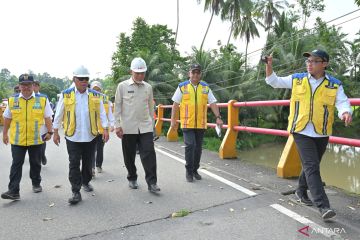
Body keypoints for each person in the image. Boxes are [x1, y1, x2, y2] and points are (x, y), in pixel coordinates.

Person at [264, 49, 352, 220]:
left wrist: (345, 113)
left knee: (311, 166)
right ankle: (323, 206)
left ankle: (300, 191)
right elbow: (273, 81)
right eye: (308, 61)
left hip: (322, 131)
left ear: (324, 64)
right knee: (312, 166)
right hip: (301, 129)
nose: (309, 64)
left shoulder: (334, 84)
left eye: (314, 61)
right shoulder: (297, 79)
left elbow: (342, 103)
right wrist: (269, 66)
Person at [53, 66, 109, 205]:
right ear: (74, 79)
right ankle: (75, 191)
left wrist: (106, 129)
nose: (84, 81)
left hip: (91, 135)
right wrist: (55, 132)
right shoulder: (66, 94)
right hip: (73, 136)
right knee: (74, 163)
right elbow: (59, 114)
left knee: (88, 162)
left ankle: (86, 181)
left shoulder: (95, 95)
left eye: (86, 79)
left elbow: (102, 112)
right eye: (81, 78)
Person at [1, 74, 53, 200]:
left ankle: (36, 183)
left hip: (35, 139)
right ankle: (13, 190)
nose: (26, 87)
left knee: (35, 163)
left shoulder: (42, 99)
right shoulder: (12, 100)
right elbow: (7, 118)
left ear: (32, 86)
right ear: (19, 86)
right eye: (23, 85)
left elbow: (47, 117)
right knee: (16, 164)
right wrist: (5, 133)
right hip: (18, 140)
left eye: (28, 85)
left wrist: (50, 132)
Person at [170, 64, 223, 182]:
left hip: (201, 123)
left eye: (197, 73)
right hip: (187, 123)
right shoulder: (182, 87)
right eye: (193, 72)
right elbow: (175, 105)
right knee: (190, 146)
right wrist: (173, 121)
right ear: (189, 73)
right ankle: (189, 171)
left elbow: (213, 102)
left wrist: (218, 117)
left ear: (200, 74)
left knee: (198, 148)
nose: (195, 75)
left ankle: (195, 170)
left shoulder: (205, 87)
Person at [114, 57, 160, 193]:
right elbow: (117, 106)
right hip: (128, 128)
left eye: (142, 73)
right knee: (129, 156)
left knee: (149, 153)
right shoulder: (122, 87)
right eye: (137, 73)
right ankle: (132, 177)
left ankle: (152, 183)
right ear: (131, 72)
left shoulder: (148, 87)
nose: (140, 76)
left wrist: (152, 125)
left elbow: (151, 107)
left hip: (145, 126)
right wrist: (117, 125)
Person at [90, 81, 115, 175]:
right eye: (94, 89)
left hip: (103, 129)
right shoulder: (87, 97)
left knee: (100, 148)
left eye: (98, 89)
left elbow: (110, 113)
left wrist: (112, 124)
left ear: (101, 89)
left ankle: (98, 165)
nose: (96, 91)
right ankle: (91, 168)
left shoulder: (105, 99)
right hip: (91, 128)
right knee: (91, 149)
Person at [33, 80, 52, 165]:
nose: (34, 87)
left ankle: (42, 155)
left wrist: (49, 128)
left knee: (42, 141)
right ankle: (36, 158)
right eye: (33, 85)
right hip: (32, 123)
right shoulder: (28, 97)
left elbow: (48, 113)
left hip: (42, 123)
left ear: (39, 87)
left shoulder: (43, 97)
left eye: (36, 86)